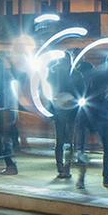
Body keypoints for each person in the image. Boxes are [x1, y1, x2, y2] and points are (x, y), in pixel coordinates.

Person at [75, 55, 108, 189]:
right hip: (104, 117)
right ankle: (106, 178)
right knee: (107, 149)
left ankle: (82, 179)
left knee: (86, 149)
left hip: (90, 115)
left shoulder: (96, 75)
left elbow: (84, 93)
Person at [47, 52, 78, 180]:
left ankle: (60, 168)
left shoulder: (53, 73)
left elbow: (48, 92)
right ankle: (66, 168)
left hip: (58, 110)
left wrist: (51, 108)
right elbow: (82, 92)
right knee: (69, 142)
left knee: (59, 141)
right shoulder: (75, 74)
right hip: (71, 110)